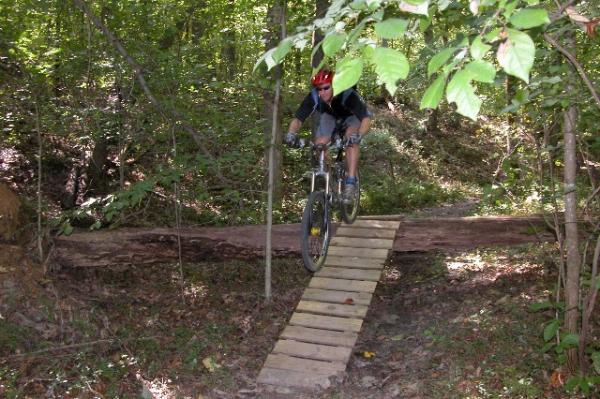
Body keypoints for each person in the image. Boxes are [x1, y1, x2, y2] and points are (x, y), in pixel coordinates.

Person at [284, 69, 371, 203]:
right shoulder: (314, 96)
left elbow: (365, 119)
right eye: (319, 89)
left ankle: (351, 182)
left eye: (326, 88)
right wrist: (291, 133)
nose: (322, 92)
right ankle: (330, 178)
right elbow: (298, 119)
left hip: (351, 117)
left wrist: (359, 135)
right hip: (330, 117)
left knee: (351, 139)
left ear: (334, 85)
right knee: (319, 144)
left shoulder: (347, 93)